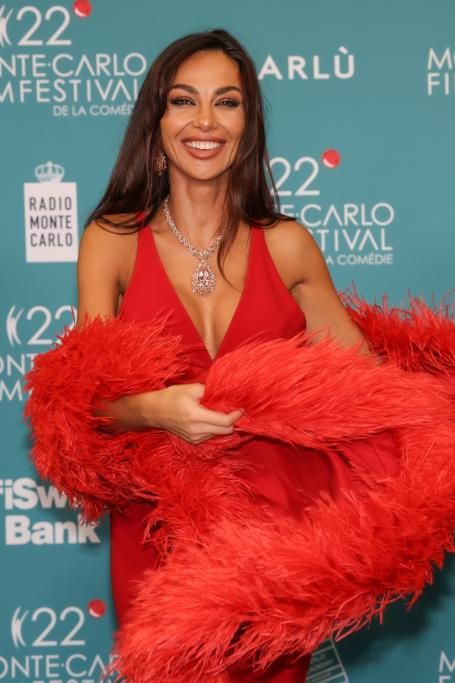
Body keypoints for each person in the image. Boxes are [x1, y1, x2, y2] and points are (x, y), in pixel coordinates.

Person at [75, 29, 400, 682]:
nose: (204, 121)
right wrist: (157, 410)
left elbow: (372, 393)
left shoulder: (287, 245)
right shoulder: (112, 240)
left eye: (226, 102)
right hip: (159, 537)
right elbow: (84, 407)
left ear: (247, 125)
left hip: (274, 547)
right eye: (183, 101)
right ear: (156, 121)